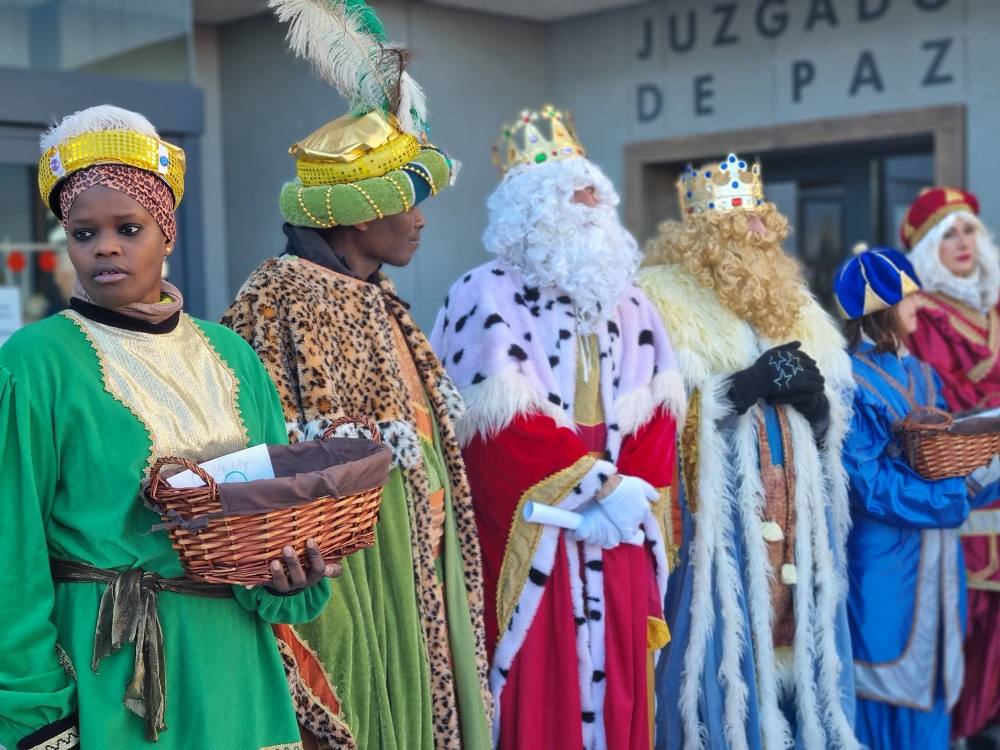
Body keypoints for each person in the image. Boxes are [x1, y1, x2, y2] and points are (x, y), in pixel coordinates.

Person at [0, 105, 334, 750]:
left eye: (129, 228)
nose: (104, 247)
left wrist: (289, 579)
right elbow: (8, 545)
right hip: (105, 666)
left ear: (168, 233)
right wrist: (33, 708)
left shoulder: (231, 356)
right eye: (82, 232)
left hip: (233, 668)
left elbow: (270, 513)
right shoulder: (33, 362)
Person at [221, 3, 491, 748]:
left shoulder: (379, 296)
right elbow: (261, 465)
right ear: (360, 214)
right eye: (409, 200)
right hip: (356, 579)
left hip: (420, 568)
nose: (423, 219)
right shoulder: (279, 297)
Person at [430, 104, 684, 749]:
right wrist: (593, 485)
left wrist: (633, 496)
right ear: (529, 208)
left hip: (622, 521)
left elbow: (656, 409)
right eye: (576, 193)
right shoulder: (481, 293)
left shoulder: (633, 301)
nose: (594, 202)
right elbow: (494, 426)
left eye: (597, 191)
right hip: (537, 522)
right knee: (539, 677)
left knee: (624, 672)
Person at [638, 155, 859, 749]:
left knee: (801, 661)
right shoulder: (658, 301)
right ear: (705, 236)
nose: (762, 233)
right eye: (746, 225)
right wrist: (737, 390)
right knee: (723, 665)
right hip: (721, 531)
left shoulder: (796, 303)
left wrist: (816, 409)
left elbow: (835, 425)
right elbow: (648, 420)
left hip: (798, 524)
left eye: (764, 221)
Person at [835, 245, 1000, 749]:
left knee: (931, 690)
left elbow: (956, 462)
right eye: (908, 293)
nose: (919, 303)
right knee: (878, 691)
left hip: (936, 563)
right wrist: (959, 491)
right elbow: (867, 483)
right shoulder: (848, 379)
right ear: (879, 303)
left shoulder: (925, 374)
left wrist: (987, 468)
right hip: (883, 561)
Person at [901, 187, 1000, 745]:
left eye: (968, 231)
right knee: (970, 613)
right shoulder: (924, 317)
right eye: (948, 235)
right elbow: (935, 398)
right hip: (970, 480)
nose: (962, 244)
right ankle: (965, 726)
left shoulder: (994, 302)